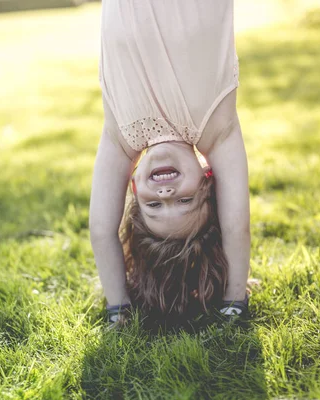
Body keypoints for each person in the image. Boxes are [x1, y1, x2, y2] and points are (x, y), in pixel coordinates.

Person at [89, 0, 250, 327]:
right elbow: (236, 227)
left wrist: (118, 306)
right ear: (209, 180)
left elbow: (102, 231)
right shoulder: (217, 131)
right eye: (184, 200)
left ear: (133, 187)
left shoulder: (121, 139)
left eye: (154, 205)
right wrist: (234, 300)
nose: (166, 192)